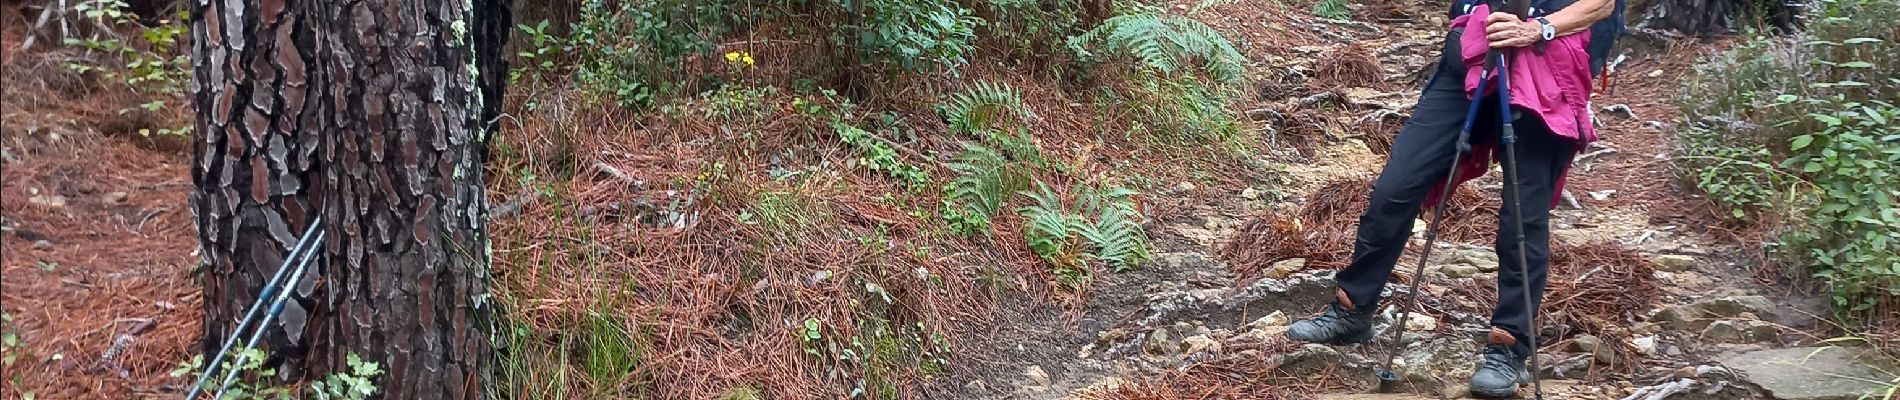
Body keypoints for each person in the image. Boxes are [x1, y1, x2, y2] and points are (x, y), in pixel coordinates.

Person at [1283, 0, 1616, 397]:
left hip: (1547, 65)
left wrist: (1538, 28)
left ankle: (1510, 346)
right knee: (1395, 188)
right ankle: (1352, 309)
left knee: (1522, 218)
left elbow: (1603, 3)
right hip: (1475, 56)